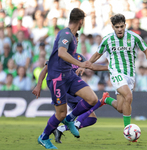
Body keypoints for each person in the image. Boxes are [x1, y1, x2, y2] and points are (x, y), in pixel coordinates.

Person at [36, 8, 105, 149]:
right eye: (83, 22)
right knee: (60, 114)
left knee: (92, 99)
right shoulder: (65, 34)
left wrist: (110, 67)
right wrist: (80, 64)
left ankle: (70, 119)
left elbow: (86, 64)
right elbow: (61, 53)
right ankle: (43, 137)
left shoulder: (73, 37)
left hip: (69, 75)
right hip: (57, 78)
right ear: (80, 21)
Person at [87, 14, 147, 135]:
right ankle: (128, 130)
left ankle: (106, 99)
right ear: (112, 27)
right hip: (115, 72)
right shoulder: (107, 39)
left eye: (121, 26)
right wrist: (85, 65)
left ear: (125, 25)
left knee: (121, 108)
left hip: (130, 75)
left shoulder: (134, 37)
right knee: (129, 96)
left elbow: (146, 50)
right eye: (116, 27)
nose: (119, 29)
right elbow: (97, 55)